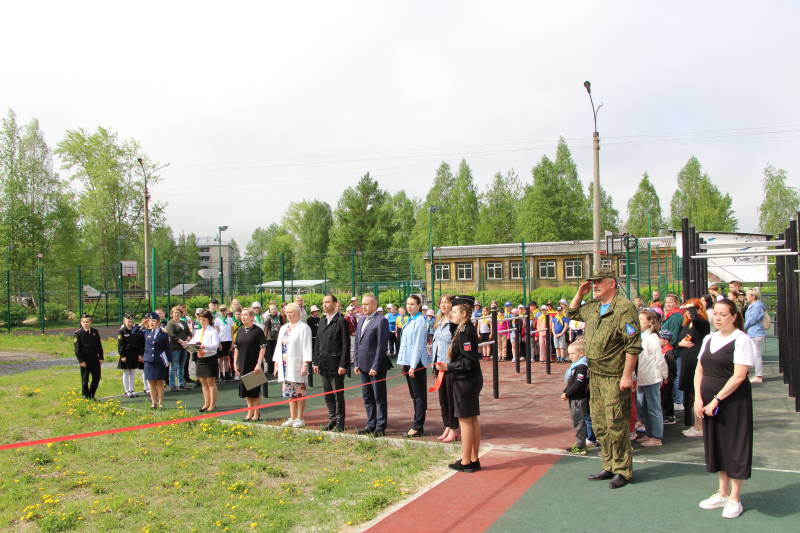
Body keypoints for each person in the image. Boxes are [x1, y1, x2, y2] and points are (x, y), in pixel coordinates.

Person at [566, 267, 642, 489]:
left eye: (599, 281)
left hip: (614, 376)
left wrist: (626, 376)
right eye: (593, 282)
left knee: (616, 423)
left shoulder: (624, 308)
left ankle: (622, 469)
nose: (595, 285)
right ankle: (608, 464)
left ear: (612, 283)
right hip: (596, 375)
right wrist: (580, 293)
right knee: (600, 424)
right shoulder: (593, 307)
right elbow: (571, 314)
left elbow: (633, 345)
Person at [694, 299, 755, 519]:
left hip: (733, 403)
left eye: (723, 314)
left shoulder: (742, 340)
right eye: (716, 314)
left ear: (734, 316)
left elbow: (739, 376)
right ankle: (722, 492)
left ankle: (735, 498)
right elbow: (699, 370)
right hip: (708, 402)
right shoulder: (709, 338)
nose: (718, 318)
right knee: (717, 445)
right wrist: (698, 399)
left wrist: (716, 400)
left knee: (734, 446)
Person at [435, 295, 483, 473]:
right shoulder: (462, 328)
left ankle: (466, 461)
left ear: (464, 313)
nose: (451, 313)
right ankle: (473, 458)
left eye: (454, 311)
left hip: (465, 381)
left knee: (465, 420)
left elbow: (469, 362)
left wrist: (448, 367)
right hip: (469, 380)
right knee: (472, 419)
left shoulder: (465, 332)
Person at [354, 294, 391, 437]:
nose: (363, 307)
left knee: (379, 397)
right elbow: (357, 343)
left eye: (366, 304)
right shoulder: (361, 320)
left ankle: (380, 426)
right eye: (362, 304)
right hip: (363, 366)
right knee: (367, 397)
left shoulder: (381, 321)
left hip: (376, 367)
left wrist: (375, 366)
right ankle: (371, 424)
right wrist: (356, 362)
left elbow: (381, 346)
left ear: (375, 305)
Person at [312, 294, 350, 431]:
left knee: (337, 395)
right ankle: (332, 419)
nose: (324, 304)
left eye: (327, 302)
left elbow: (346, 344)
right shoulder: (322, 321)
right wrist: (315, 361)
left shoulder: (341, 321)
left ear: (335, 304)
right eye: (323, 302)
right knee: (328, 394)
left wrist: (343, 364)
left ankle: (340, 422)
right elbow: (318, 342)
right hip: (323, 364)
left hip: (336, 365)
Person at [272, 303, 313, 428]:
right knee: (290, 393)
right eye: (287, 312)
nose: (289, 315)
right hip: (285, 365)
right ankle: (292, 417)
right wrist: (276, 363)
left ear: (298, 313)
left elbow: (307, 346)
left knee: (299, 392)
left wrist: (305, 364)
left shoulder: (304, 327)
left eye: (291, 312)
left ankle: (300, 418)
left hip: (297, 364)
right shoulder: (284, 328)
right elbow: (278, 346)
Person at [396, 295, 430, 438]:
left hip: (416, 363)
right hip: (408, 362)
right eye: (408, 304)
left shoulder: (420, 320)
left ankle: (417, 426)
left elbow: (418, 345)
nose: (409, 306)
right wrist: (403, 362)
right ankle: (417, 425)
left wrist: (413, 365)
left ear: (419, 305)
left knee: (419, 395)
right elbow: (404, 344)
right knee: (414, 394)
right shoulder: (409, 320)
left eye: (412, 304)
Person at [676, 299, 711, 437]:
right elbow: (678, 341)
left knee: (697, 393)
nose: (689, 313)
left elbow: (696, 320)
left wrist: (691, 307)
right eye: (687, 310)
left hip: (697, 362)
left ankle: (699, 426)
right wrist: (681, 344)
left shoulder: (702, 323)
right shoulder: (686, 324)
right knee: (688, 392)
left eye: (692, 310)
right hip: (686, 362)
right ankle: (692, 423)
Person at [636, 309, 669, 447]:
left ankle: (657, 437)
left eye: (641, 319)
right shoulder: (641, 336)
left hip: (651, 377)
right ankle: (649, 433)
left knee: (653, 408)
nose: (638, 321)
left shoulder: (652, 337)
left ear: (650, 322)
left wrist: (665, 374)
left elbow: (659, 358)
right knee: (643, 407)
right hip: (641, 377)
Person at [431, 295, 458, 442]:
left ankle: (454, 427)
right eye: (441, 302)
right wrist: (433, 362)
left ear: (452, 305)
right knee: (443, 399)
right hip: (438, 365)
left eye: (446, 302)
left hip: (449, 366)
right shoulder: (439, 321)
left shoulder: (454, 323)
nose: (443, 305)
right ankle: (447, 425)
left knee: (451, 398)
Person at [233, 308, 267, 421]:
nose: (243, 317)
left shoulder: (258, 331)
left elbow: (263, 348)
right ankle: (250, 411)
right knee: (246, 390)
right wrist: (235, 362)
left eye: (246, 315)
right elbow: (236, 348)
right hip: (243, 364)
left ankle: (256, 413)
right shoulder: (240, 331)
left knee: (255, 390)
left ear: (252, 317)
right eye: (242, 315)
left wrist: (259, 363)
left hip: (254, 364)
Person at [183, 309, 221, 412]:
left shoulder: (213, 331)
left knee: (211, 382)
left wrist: (204, 346)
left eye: (204, 319)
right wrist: (187, 344)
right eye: (200, 319)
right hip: (200, 359)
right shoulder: (199, 331)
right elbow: (194, 341)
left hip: (210, 359)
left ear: (209, 319)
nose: (201, 321)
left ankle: (212, 405)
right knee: (203, 382)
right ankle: (206, 403)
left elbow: (215, 346)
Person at [135, 312, 170, 409]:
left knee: (159, 383)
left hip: (159, 361)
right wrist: (142, 324)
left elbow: (167, 348)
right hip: (149, 361)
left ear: (158, 322)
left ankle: (161, 402)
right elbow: (134, 333)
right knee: (151, 383)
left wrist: (169, 360)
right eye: (150, 321)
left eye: (153, 321)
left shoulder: (164, 334)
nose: (151, 323)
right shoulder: (146, 332)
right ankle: (154, 403)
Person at [561, 336, 589, 455]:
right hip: (574, 398)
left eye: (573, 353)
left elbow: (578, 383)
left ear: (581, 354)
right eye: (569, 354)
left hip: (578, 398)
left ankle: (581, 446)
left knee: (579, 422)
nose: (570, 356)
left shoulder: (581, 367)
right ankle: (581, 443)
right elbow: (571, 382)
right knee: (577, 421)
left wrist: (568, 394)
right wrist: (565, 391)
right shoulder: (576, 366)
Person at [74, 314, 104, 400]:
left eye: (87, 322)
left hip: (94, 359)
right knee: (85, 379)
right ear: (81, 322)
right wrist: (81, 361)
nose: (85, 324)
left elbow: (99, 345)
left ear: (90, 322)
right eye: (83, 322)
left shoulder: (95, 332)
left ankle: (91, 394)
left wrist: (101, 357)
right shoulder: (78, 333)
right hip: (85, 360)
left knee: (96, 378)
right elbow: (77, 349)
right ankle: (85, 396)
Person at [165, 306, 192, 391]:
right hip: (175, 348)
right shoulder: (170, 323)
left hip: (184, 347)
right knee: (174, 367)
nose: (176, 314)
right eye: (175, 312)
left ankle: (181, 383)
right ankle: (172, 385)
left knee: (181, 366)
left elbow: (189, 332)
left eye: (178, 312)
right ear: (171, 314)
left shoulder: (183, 322)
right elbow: (172, 335)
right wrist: (182, 342)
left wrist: (188, 338)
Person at [118, 313, 144, 398]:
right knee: (126, 372)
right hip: (126, 354)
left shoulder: (135, 330)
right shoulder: (122, 331)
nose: (130, 323)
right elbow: (120, 344)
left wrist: (139, 354)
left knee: (132, 372)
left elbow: (139, 343)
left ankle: (131, 390)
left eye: (131, 321)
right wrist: (122, 355)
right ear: (124, 321)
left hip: (134, 353)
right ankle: (126, 391)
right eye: (128, 321)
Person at [743, 288, 766, 383]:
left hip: (756, 332)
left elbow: (753, 319)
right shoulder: (754, 305)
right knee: (755, 354)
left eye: (748, 295)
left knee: (756, 354)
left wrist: (743, 327)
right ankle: (757, 374)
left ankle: (759, 376)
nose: (746, 297)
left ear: (753, 296)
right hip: (753, 332)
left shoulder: (757, 305)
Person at [658, 329, 677, 424]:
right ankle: (667, 414)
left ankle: (668, 415)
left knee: (666, 396)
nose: (658, 340)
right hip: (666, 377)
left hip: (668, 378)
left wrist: (669, 377)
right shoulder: (664, 350)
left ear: (666, 340)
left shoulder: (669, 352)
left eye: (660, 338)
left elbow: (672, 366)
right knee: (664, 396)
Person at [215, 305, 234, 381]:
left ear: (227, 310)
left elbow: (232, 331)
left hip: (228, 340)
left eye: (224, 310)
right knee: (220, 358)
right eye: (221, 310)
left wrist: (232, 342)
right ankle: (221, 374)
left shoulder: (230, 319)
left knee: (227, 357)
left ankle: (226, 373)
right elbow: (216, 332)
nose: (223, 311)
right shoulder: (217, 320)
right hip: (221, 341)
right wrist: (218, 343)